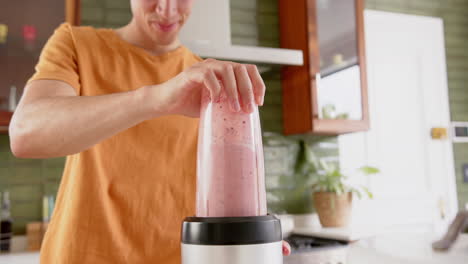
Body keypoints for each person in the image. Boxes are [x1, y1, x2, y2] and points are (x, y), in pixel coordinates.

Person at [9, 0, 291, 263]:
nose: (167, 10)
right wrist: (156, 99)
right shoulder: (76, 44)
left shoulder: (210, 82)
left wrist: (244, 244)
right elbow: (25, 133)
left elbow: (219, 197)